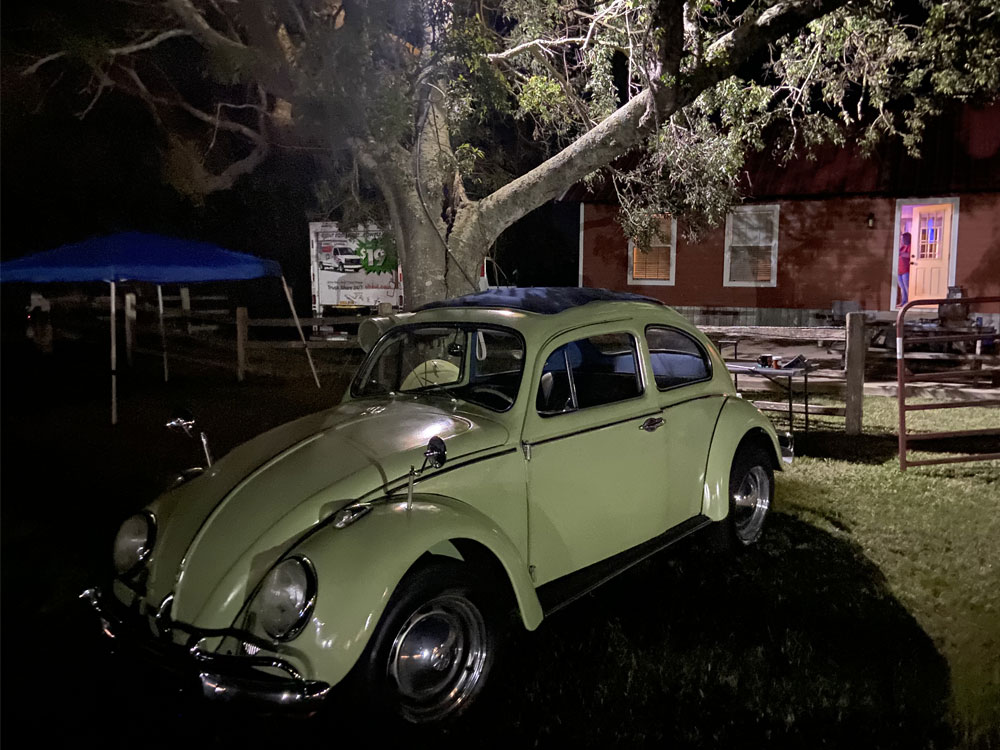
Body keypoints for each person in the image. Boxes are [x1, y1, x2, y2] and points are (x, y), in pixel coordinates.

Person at [898, 231, 912, 307]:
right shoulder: (902, 247)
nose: (902, 240)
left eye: (902, 238)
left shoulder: (910, 247)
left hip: (906, 270)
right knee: (902, 288)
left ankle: (910, 302)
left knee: (907, 287)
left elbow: (910, 255)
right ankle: (904, 302)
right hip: (899, 270)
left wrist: (901, 254)